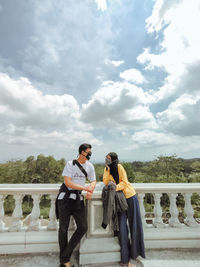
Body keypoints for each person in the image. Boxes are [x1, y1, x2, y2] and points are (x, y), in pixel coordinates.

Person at [103, 152, 145, 267]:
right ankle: (125, 258)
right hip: (119, 201)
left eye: (109, 159)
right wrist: (107, 170)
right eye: (106, 158)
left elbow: (125, 182)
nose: (107, 160)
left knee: (134, 226)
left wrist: (114, 188)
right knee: (122, 228)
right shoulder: (107, 169)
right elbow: (105, 182)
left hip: (130, 197)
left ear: (114, 160)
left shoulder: (119, 167)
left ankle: (133, 257)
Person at [58, 144, 96, 267]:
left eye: (90, 152)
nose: (90, 154)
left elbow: (93, 180)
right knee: (63, 228)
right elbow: (67, 182)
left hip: (78, 200)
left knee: (83, 227)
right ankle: (65, 262)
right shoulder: (70, 164)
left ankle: (64, 257)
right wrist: (85, 188)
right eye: (88, 152)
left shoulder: (90, 166)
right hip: (65, 198)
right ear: (82, 152)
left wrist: (91, 188)